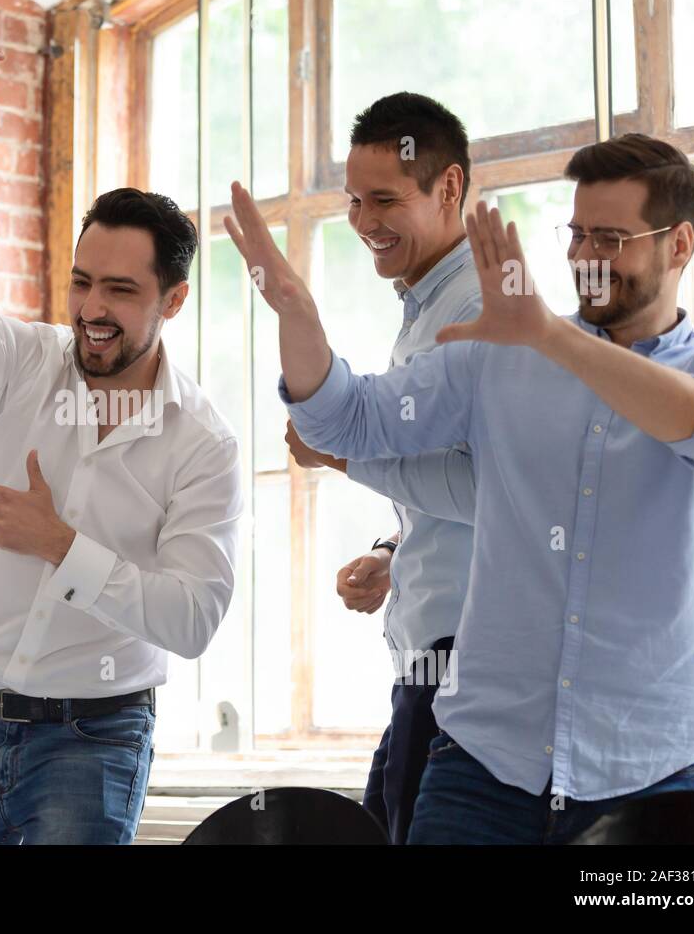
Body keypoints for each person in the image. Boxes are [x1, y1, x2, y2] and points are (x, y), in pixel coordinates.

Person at [228, 132, 694, 844]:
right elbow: (347, 419)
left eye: (611, 238)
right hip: (483, 761)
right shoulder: (501, 356)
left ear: (680, 244)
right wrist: (297, 314)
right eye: (577, 236)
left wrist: (551, 338)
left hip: (646, 765)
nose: (586, 259)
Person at [0, 38, 242, 844]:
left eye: (122, 291)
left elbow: (193, 616)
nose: (93, 309)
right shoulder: (22, 362)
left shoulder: (204, 444)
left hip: (94, 740)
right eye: (82, 281)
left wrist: (63, 546)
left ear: (174, 302)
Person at [285, 92, 479, 844]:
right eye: (355, 201)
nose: (365, 222)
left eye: (387, 200)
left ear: (450, 188)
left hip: (464, 665)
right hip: (427, 661)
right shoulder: (425, 306)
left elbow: (495, 489)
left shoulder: (477, 307)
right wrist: (395, 551)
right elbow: (450, 486)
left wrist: (340, 453)